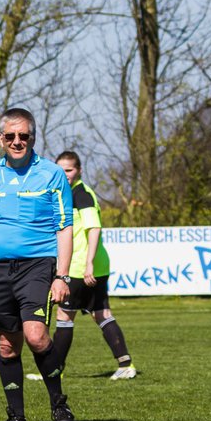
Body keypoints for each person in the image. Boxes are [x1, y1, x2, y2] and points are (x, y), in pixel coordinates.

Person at [0, 108, 77, 421]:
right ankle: (16, 416)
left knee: (36, 336)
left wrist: (61, 276)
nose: (17, 141)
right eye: (11, 136)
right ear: (1, 139)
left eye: (24, 136)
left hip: (38, 265)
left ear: (33, 138)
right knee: (7, 345)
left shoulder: (51, 175)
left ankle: (59, 406)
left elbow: (65, 227)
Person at [53, 151, 136, 379]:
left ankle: (54, 370)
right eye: (60, 170)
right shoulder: (68, 194)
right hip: (93, 265)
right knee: (101, 314)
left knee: (64, 315)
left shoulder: (81, 194)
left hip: (81, 267)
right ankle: (125, 365)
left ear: (79, 170)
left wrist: (88, 264)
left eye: (68, 170)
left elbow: (94, 228)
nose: (65, 175)